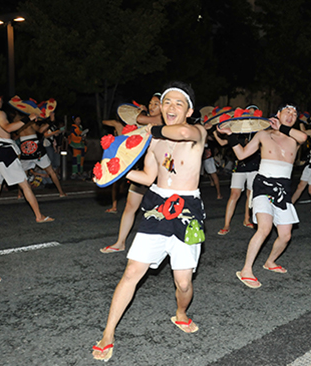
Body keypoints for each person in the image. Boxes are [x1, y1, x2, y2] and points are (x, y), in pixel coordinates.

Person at [92, 82, 206, 362]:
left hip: (187, 210)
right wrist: (116, 170)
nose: (171, 108)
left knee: (183, 283)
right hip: (156, 207)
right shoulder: (153, 141)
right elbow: (148, 176)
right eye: (167, 102)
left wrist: (147, 128)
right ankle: (108, 333)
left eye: (179, 103)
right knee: (131, 272)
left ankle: (180, 313)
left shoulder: (197, 133)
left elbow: (180, 132)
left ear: (189, 110)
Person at [217, 103, 307, 288]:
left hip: (283, 188)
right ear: (278, 114)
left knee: (285, 235)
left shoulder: (294, 138)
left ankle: (270, 262)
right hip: (263, 185)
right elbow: (241, 155)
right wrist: (231, 135)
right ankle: (246, 270)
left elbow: (304, 136)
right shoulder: (263, 135)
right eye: (287, 111)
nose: (291, 115)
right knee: (264, 228)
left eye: (294, 113)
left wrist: (281, 127)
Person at [100, 93, 164, 252]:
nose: (151, 106)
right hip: (142, 171)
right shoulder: (145, 122)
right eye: (150, 103)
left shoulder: (162, 120)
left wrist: (139, 114)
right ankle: (120, 243)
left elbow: (141, 119)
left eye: (156, 104)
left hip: (160, 173)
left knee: (160, 211)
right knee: (130, 206)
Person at [0, 95, 54, 223]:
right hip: (5, 151)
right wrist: (28, 118)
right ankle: (39, 216)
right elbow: (8, 128)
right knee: (25, 185)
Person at [213, 106, 261, 235]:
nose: (250, 114)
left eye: (252, 112)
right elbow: (223, 143)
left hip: (254, 166)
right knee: (234, 194)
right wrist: (214, 131)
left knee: (250, 195)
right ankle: (226, 224)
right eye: (248, 111)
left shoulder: (258, 131)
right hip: (239, 167)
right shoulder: (236, 131)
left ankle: (247, 219)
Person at [17, 115, 67, 197]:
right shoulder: (30, 122)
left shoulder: (17, 122)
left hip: (25, 148)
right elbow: (40, 130)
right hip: (35, 148)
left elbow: (15, 134)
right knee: (51, 171)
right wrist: (50, 121)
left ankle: (19, 194)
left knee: (23, 174)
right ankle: (61, 192)